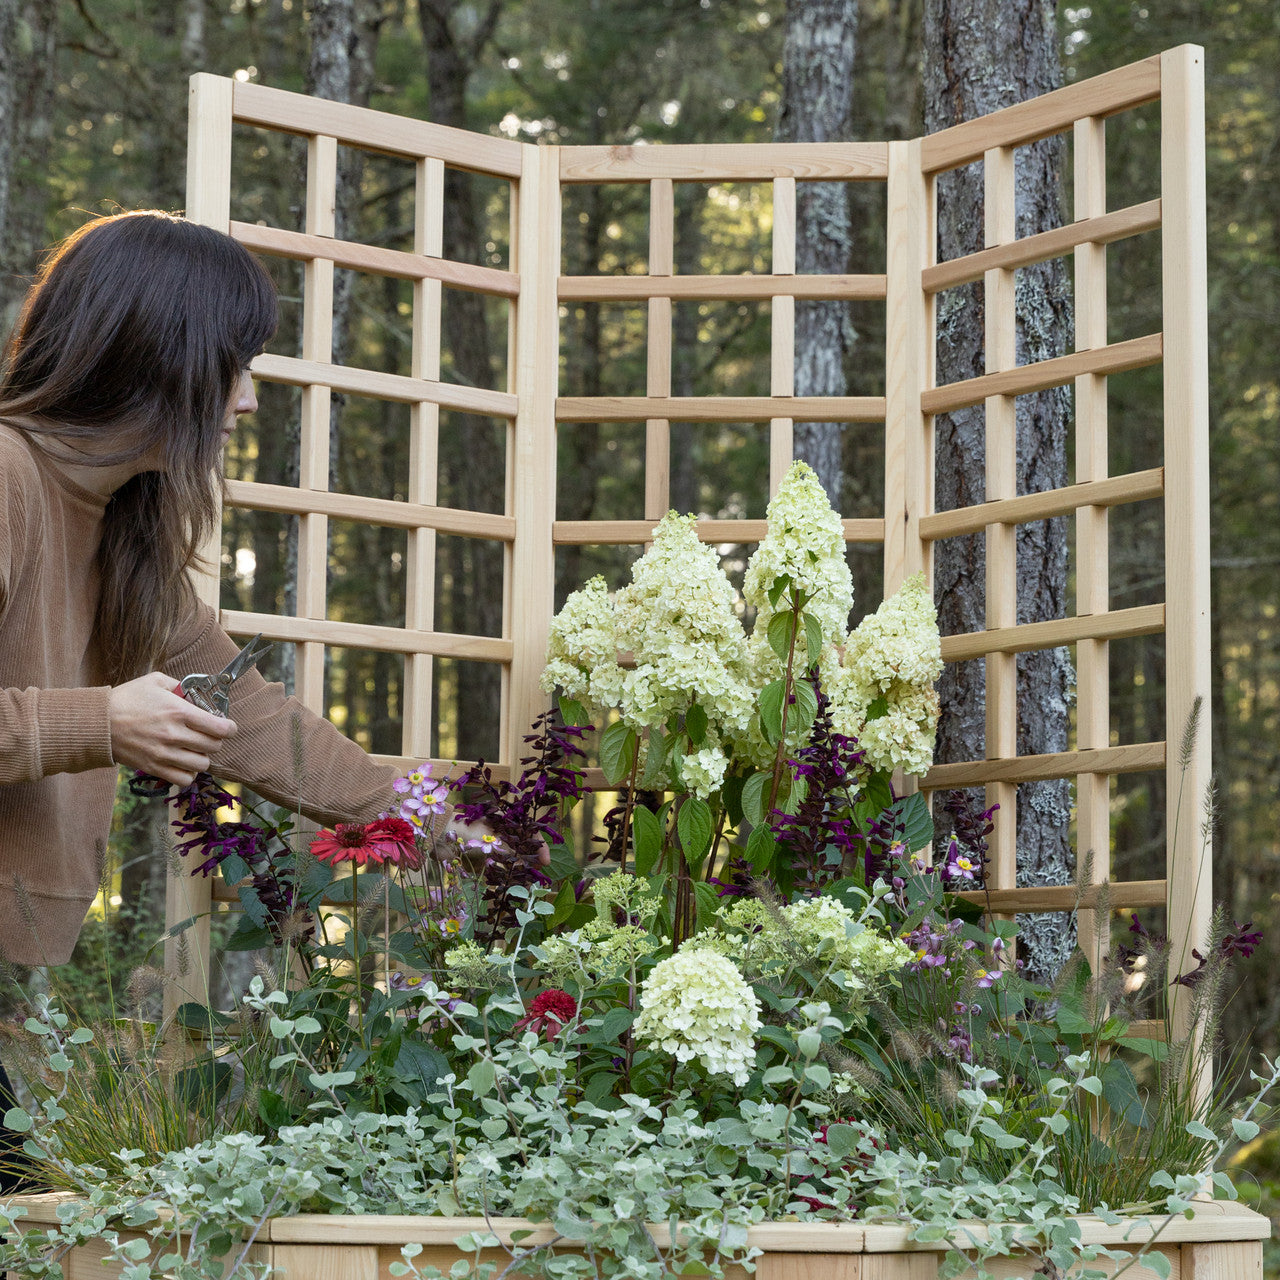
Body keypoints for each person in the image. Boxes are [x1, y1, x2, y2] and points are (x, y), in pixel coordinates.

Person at [0, 211, 466, 1185]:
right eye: (233, 364)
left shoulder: (127, 535)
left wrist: (422, 825)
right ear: (152, 356)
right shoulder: (6, 479)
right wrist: (98, 719)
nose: (247, 401)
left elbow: (246, 712)